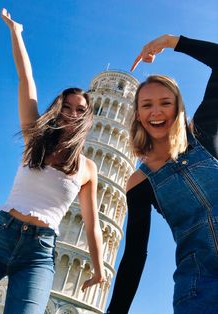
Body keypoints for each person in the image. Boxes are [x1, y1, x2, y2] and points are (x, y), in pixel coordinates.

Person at [0, 8, 105, 314]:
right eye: (68, 106)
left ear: (87, 118)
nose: (73, 114)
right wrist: (16, 32)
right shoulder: (33, 138)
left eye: (80, 110)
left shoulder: (87, 168)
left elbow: (93, 224)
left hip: (39, 253)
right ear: (58, 108)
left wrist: (99, 268)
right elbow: (26, 78)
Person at [107, 34, 218, 314]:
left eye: (165, 102)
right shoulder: (139, 182)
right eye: (146, 105)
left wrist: (172, 41)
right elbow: (134, 255)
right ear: (138, 115)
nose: (156, 112)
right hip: (200, 286)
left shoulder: (202, 135)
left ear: (178, 108)